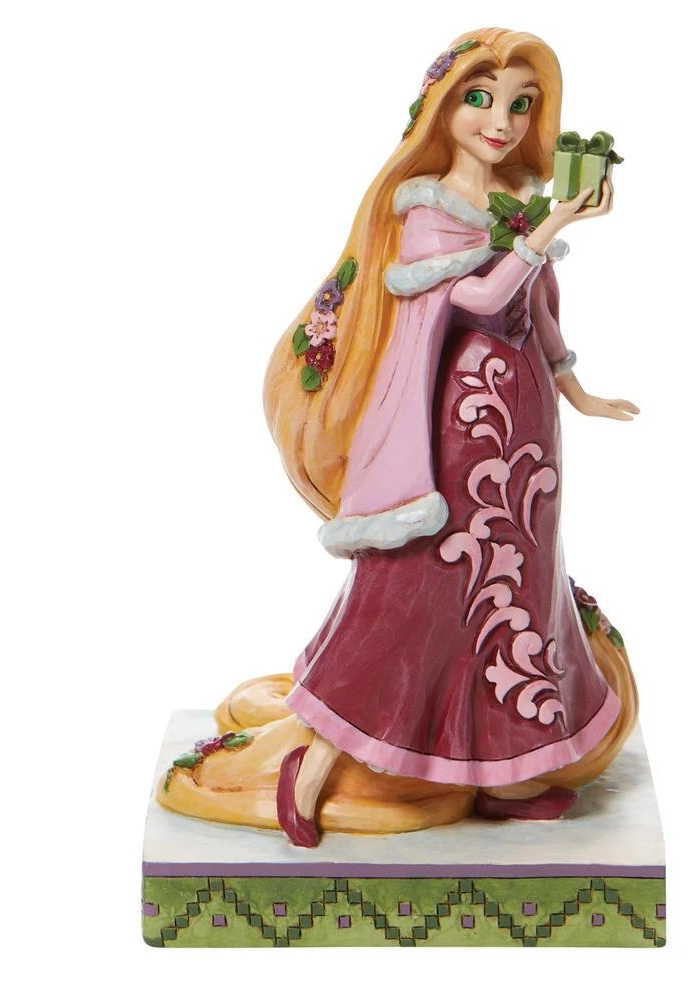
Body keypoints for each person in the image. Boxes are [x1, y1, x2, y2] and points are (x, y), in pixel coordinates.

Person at [261, 28, 640, 847]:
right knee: (418, 590)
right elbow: (480, 299)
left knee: (518, 583)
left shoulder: (514, 201)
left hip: (526, 423)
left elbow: (536, 306)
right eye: (481, 100)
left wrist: (577, 388)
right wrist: (551, 225)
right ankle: (315, 764)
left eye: (520, 105)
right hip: (454, 423)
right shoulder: (427, 206)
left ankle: (504, 770)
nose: (500, 121)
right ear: (443, 107)